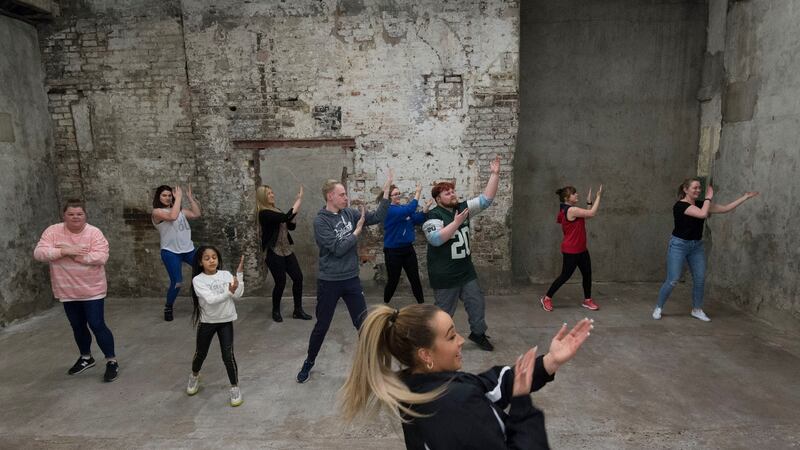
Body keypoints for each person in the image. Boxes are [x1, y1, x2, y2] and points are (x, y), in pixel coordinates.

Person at [340, 304, 593, 449]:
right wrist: (522, 406)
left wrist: (550, 361)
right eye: (451, 336)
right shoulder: (454, 406)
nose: (461, 341)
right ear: (426, 354)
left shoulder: (421, 385)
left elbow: (487, 385)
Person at [295, 172, 393, 383]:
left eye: (345, 194)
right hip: (329, 281)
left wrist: (385, 194)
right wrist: (356, 233)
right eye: (342, 194)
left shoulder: (348, 213)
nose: (346, 198)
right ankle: (309, 362)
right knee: (322, 325)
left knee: (363, 323)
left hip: (351, 280)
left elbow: (376, 217)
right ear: (330, 196)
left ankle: (372, 365)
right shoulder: (320, 222)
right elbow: (338, 249)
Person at [34, 199, 119, 382]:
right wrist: (64, 251)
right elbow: (39, 253)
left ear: (85, 215)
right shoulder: (53, 231)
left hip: (92, 289)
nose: (75, 217)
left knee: (97, 324)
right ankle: (86, 357)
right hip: (66, 290)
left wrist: (75, 255)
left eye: (79, 214)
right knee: (77, 325)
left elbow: (101, 256)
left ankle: (111, 361)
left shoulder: (94, 233)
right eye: (71, 214)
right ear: (64, 215)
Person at [422, 155, 501, 351]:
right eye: (447, 193)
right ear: (438, 199)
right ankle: (436, 341)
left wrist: (494, 174)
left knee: (477, 303)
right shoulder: (433, 215)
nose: (452, 194)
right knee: (444, 313)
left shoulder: (462, 208)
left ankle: (478, 333)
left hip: (466, 271)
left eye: (452, 191)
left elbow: (486, 200)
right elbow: (436, 239)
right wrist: (456, 223)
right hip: (444, 274)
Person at [653, 179, 759, 322]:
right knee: (673, 279)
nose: (698, 190)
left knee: (700, 278)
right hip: (679, 245)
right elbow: (702, 214)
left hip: (696, 246)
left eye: (699, 188)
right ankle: (658, 307)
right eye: (695, 188)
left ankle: (697, 309)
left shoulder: (702, 204)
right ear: (685, 189)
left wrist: (745, 197)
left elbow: (726, 208)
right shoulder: (680, 206)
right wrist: (708, 197)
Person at [187, 247, 245, 407]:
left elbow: (238, 294)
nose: (211, 260)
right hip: (207, 323)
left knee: (228, 355)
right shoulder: (198, 280)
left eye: (214, 257)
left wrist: (239, 274)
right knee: (200, 354)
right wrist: (229, 291)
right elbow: (211, 300)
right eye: (207, 258)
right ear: (200, 262)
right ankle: (194, 376)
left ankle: (234, 387)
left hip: (226, 321)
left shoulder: (225, 275)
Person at [540, 185, 603, 312]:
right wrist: (598, 197)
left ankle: (587, 300)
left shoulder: (566, 209)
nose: (577, 195)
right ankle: (546, 298)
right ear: (567, 198)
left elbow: (587, 215)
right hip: (571, 250)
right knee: (565, 276)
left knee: (587, 274)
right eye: (574, 194)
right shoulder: (571, 210)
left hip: (581, 249)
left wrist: (589, 202)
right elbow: (592, 213)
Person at [256, 184, 312, 322]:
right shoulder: (264, 213)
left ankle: (298, 310)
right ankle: (275, 311)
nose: (272, 195)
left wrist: (294, 215)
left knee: (298, 278)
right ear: (263, 197)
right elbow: (286, 217)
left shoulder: (277, 210)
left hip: (287, 249)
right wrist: (298, 201)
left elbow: (290, 226)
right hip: (273, 252)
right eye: (269, 193)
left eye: (272, 192)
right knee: (280, 282)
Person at [151, 185, 201, 321]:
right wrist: (178, 198)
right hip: (171, 252)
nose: (167, 198)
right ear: (158, 197)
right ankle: (168, 306)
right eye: (164, 195)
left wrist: (190, 198)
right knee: (177, 282)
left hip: (188, 250)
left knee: (205, 270)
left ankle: (204, 301)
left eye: (169, 195)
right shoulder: (157, 212)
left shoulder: (180, 211)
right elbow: (172, 216)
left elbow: (196, 214)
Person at [380, 183, 432, 304]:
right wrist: (418, 192)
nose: (398, 196)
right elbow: (410, 209)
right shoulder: (389, 210)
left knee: (415, 278)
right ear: (389, 197)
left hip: (408, 250)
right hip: (393, 251)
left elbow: (417, 219)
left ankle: (421, 304)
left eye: (399, 193)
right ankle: (385, 304)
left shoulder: (403, 210)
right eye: (395, 194)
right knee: (393, 280)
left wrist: (425, 209)